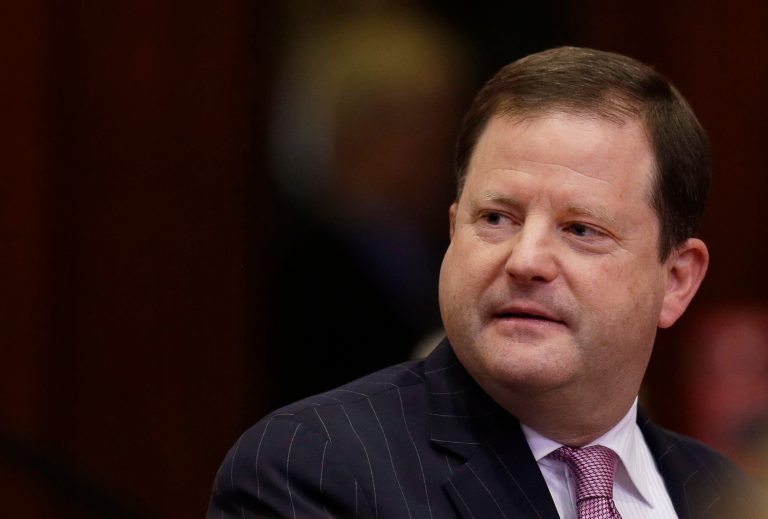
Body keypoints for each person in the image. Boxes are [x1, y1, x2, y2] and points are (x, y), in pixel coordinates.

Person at [207, 47, 764, 518]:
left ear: (676, 281)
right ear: (454, 233)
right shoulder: (314, 467)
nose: (525, 260)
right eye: (497, 218)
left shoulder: (721, 493)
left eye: (580, 229)